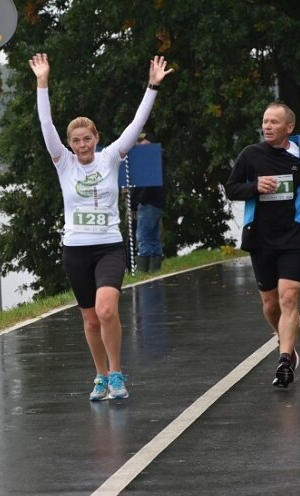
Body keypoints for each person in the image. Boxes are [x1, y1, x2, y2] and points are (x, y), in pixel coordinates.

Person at [29, 52, 173, 401]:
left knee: (107, 309)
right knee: (91, 319)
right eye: (76, 140)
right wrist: (42, 82)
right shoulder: (63, 163)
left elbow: (137, 124)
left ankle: (118, 374)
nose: (82, 145)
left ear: (96, 138)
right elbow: (46, 126)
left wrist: (152, 86)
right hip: (75, 250)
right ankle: (100, 376)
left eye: (87, 139)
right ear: (70, 144)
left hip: (109, 246)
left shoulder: (111, 157)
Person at [225, 102, 300, 388]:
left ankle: (285, 359)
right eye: (265, 121)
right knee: (271, 305)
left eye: (273, 122)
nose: (267, 126)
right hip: (260, 237)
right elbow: (231, 188)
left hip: (293, 234)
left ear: (289, 128)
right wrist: (254, 187)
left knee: (289, 296)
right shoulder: (250, 155)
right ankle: (287, 343)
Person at [133, 131, 167, 272]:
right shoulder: (158, 158)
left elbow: (150, 184)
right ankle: (155, 269)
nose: (142, 147)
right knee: (153, 236)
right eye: (139, 144)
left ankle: (143, 270)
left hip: (149, 203)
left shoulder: (153, 160)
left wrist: (141, 199)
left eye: (145, 144)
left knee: (143, 236)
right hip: (156, 202)